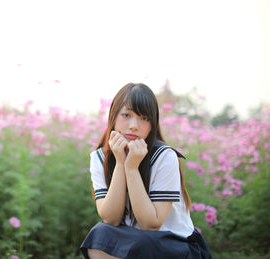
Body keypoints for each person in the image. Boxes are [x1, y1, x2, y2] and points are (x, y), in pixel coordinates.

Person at [80, 83, 212, 259]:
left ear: (153, 123)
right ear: (113, 116)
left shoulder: (164, 156)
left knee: (143, 243)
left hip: (176, 244)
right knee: (99, 236)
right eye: (126, 115)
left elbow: (151, 225)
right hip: (135, 242)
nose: (134, 125)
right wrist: (120, 164)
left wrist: (132, 168)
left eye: (144, 118)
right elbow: (110, 219)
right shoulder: (99, 158)